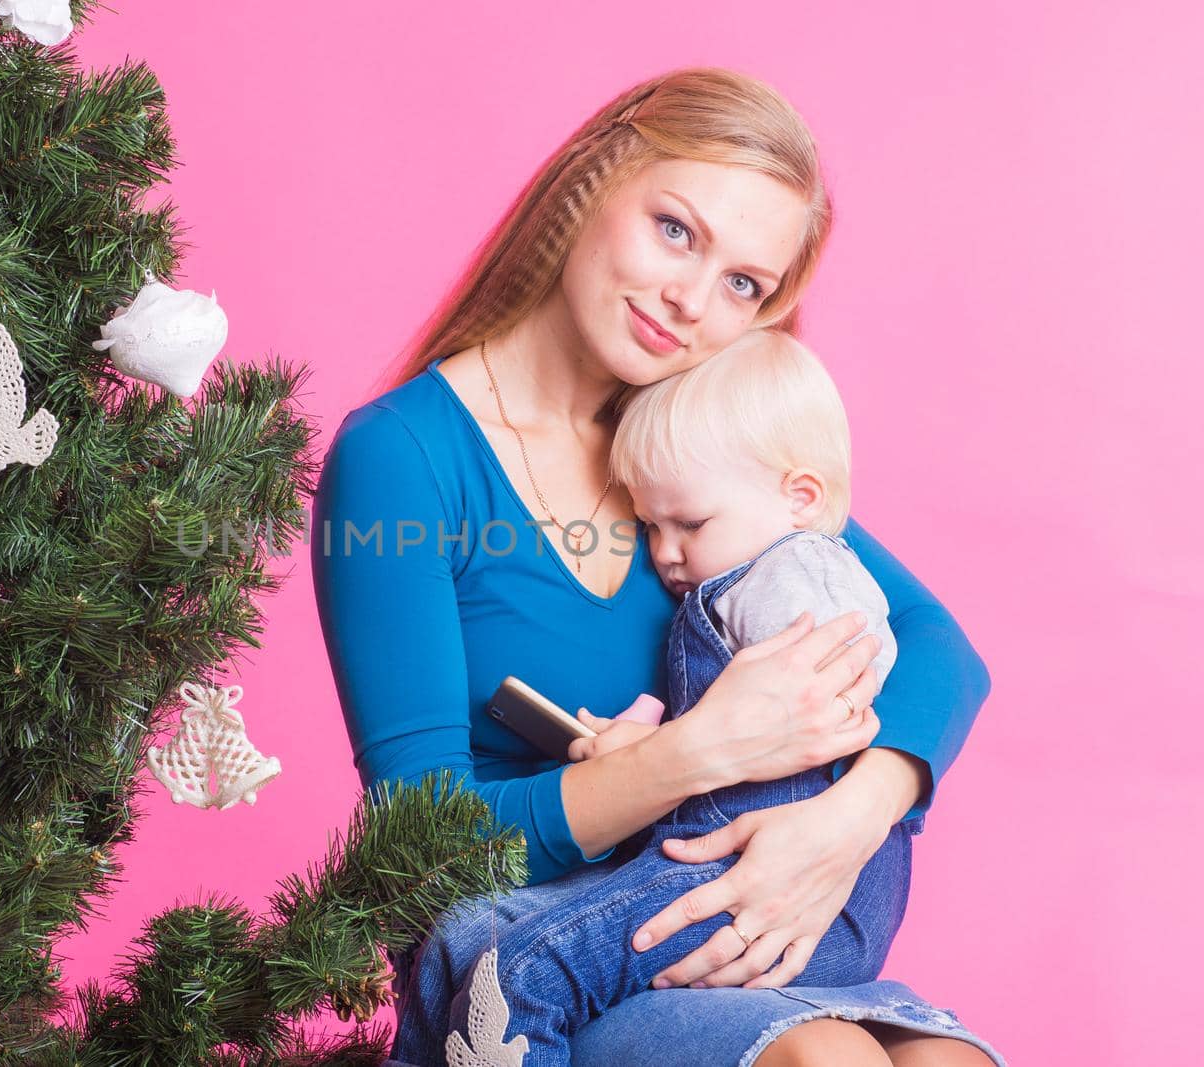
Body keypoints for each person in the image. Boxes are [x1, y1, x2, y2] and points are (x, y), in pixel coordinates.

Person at [311, 67, 999, 1066]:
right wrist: (697, 752)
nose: (687, 300)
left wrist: (844, 823)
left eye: (741, 285)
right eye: (675, 228)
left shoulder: (690, 449)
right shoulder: (402, 458)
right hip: (530, 955)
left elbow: (939, 646)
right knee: (826, 1060)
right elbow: (422, 843)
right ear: (593, 177)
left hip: (729, 911)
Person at [386, 329, 1004, 1065]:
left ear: (802, 497)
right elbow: (738, 724)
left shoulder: (790, 572)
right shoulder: (753, 525)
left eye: (689, 524)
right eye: (649, 526)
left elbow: (826, 706)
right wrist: (648, 751)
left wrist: (844, 802)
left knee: (518, 980)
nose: (665, 552)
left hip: (771, 879)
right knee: (473, 936)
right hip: (769, 889)